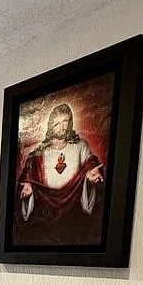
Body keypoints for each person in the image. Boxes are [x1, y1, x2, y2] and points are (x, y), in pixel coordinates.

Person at [15, 102, 105, 245]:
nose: (61, 127)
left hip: (74, 210)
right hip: (44, 212)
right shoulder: (39, 154)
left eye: (65, 121)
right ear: (50, 125)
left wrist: (89, 174)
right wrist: (29, 186)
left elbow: (90, 165)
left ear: (70, 122)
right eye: (56, 123)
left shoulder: (80, 145)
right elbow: (28, 178)